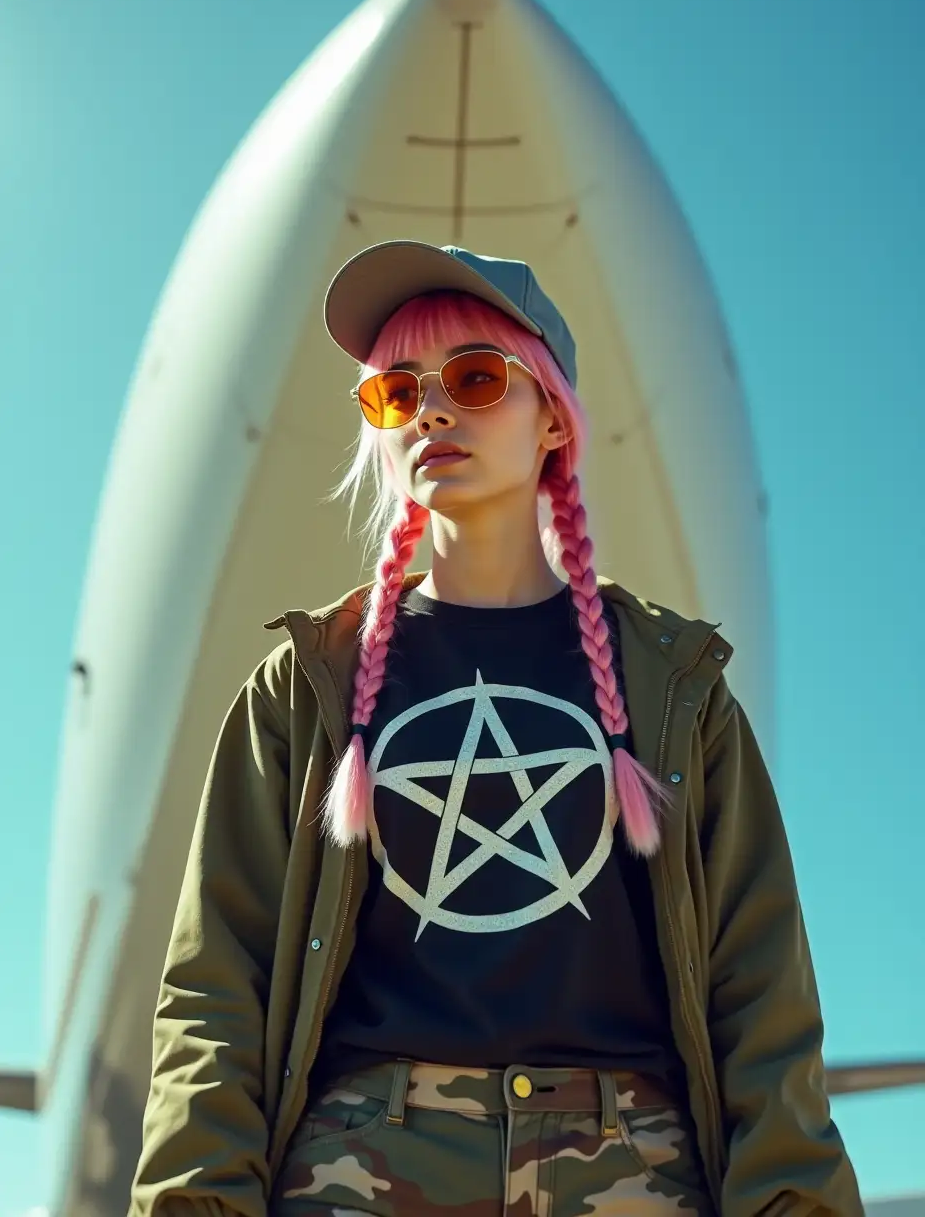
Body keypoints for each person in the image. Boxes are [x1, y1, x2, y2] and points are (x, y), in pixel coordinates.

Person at [129, 240, 863, 1216]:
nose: (431, 409)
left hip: (630, 1175)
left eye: (475, 377)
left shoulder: (673, 690)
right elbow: (214, 992)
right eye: (395, 391)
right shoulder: (302, 692)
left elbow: (761, 995)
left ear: (551, 414)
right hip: (357, 1175)